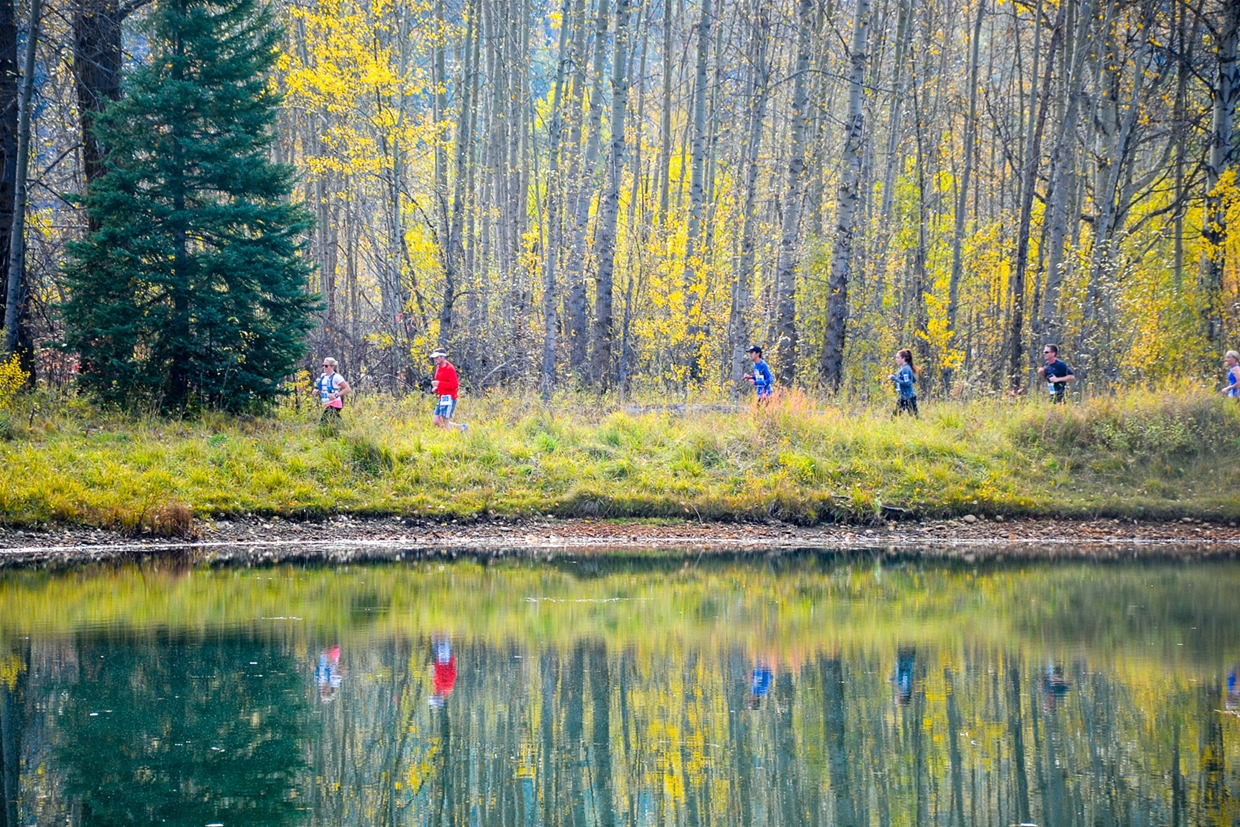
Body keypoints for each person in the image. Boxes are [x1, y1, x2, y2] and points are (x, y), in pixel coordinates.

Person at [430, 349, 468, 432]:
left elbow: (454, 385)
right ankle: (462, 427)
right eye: (434, 358)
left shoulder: (450, 369)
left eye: (437, 357)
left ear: (443, 357)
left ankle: (451, 438)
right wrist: (437, 388)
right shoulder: (438, 367)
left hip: (449, 398)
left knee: (444, 420)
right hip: (442, 397)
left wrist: (439, 384)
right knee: (436, 421)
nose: (435, 359)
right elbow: (443, 382)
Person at [314, 357, 350, 425]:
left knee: (323, 423)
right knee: (336, 422)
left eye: (326, 366)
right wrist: (317, 391)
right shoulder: (323, 376)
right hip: (327, 403)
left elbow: (347, 389)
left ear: (332, 366)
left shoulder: (337, 377)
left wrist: (336, 395)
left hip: (334, 403)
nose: (324, 367)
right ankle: (345, 431)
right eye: (323, 365)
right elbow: (324, 390)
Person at [889, 348, 918, 417]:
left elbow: (907, 383)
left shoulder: (905, 369)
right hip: (905, 397)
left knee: (915, 417)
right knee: (895, 416)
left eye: (898, 357)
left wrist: (894, 378)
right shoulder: (907, 368)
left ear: (903, 358)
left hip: (908, 397)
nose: (896, 359)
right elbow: (913, 380)